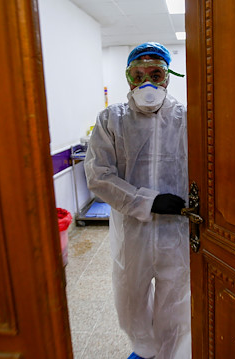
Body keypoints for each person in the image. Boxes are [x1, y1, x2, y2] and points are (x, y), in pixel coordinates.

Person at [84, 42, 190, 359]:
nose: (147, 83)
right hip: (132, 232)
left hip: (177, 232)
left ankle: (170, 352)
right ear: (128, 78)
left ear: (168, 77)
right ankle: (144, 349)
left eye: (155, 73)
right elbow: (98, 175)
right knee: (130, 296)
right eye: (137, 74)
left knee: (175, 299)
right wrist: (149, 201)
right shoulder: (110, 120)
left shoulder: (187, 119)